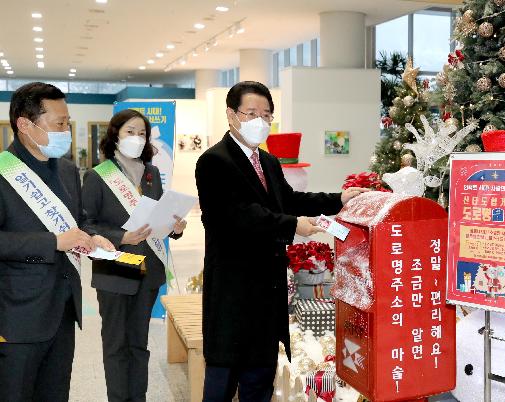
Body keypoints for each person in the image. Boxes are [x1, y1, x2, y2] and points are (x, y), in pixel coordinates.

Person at [195, 81, 368, 401]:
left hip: (267, 291)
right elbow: (238, 216)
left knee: (259, 379)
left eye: (267, 114)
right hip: (232, 291)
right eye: (251, 113)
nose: (260, 121)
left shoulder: (268, 162)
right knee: (222, 380)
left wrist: (338, 198)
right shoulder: (214, 161)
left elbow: (290, 200)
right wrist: (293, 226)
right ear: (232, 115)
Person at [0, 82, 113, 401]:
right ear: (25, 124)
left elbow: (79, 221)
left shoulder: (66, 170)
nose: (67, 130)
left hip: (63, 309)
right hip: (17, 316)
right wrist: (51, 242)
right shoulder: (2, 173)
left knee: (56, 393)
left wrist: (92, 236)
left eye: (68, 121)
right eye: (59, 123)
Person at [81, 109, 187, 402]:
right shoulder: (98, 176)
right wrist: (121, 237)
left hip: (148, 269)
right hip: (115, 266)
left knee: (139, 343)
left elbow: (159, 219)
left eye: (142, 133)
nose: (137, 138)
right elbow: (85, 224)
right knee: (116, 344)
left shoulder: (151, 174)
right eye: (130, 132)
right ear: (115, 134)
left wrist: (175, 227)